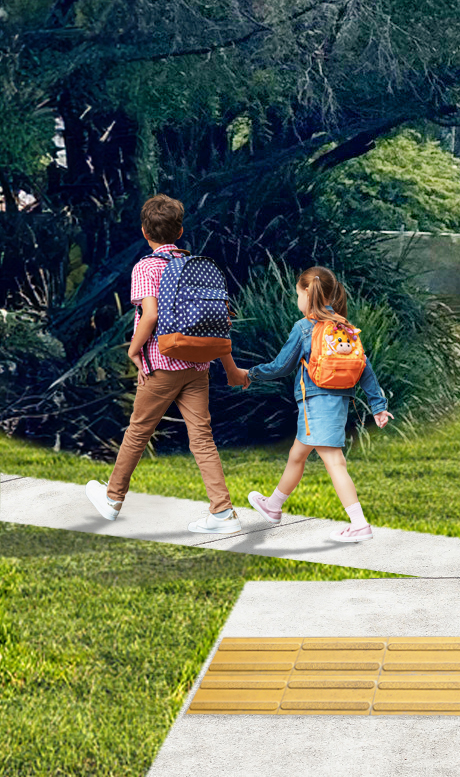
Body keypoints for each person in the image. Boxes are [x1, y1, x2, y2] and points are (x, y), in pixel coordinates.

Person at [99, 194, 248, 531]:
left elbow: (149, 314)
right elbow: (216, 323)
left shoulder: (146, 267)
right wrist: (230, 368)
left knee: (138, 431)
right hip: (196, 366)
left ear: (143, 231)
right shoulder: (196, 266)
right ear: (180, 231)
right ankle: (223, 512)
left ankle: (112, 500)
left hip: (161, 364)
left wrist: (133, 350)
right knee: (202, 437)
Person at [244, 266, 392, 545]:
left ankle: (359, 524)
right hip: (338, 402)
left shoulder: (304, 328)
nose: (296, 300)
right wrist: (378, 405)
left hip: (315, 402)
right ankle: (273, 506)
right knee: (297, 455)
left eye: (297, 294)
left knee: (335, 461)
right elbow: (364, 368)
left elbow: (280, 367)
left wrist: (251, 374)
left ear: (307, 294)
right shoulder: (345, 327)